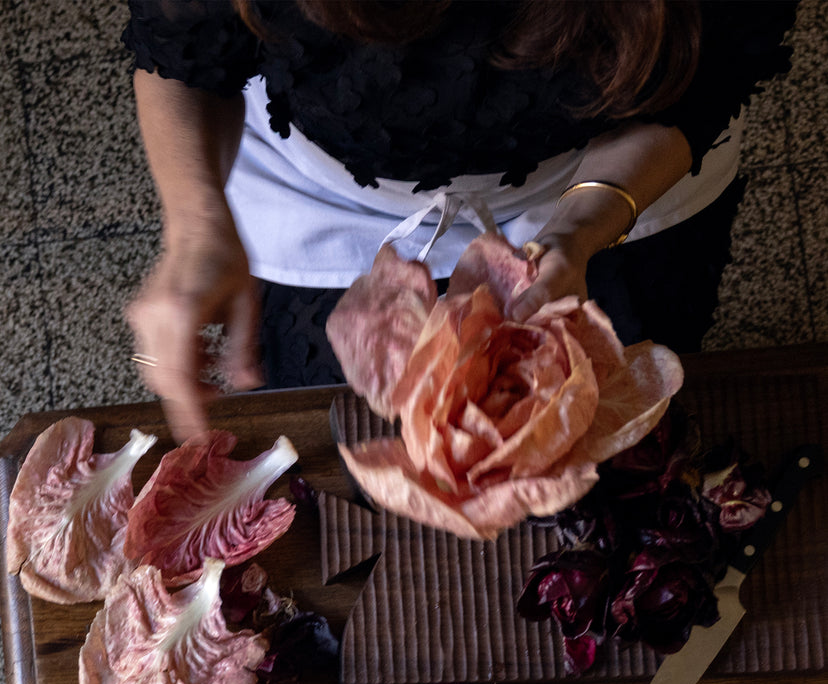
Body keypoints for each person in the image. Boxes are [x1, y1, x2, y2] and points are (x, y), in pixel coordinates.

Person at [121, 0, 798, 442]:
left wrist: (577, 232)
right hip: (324, 197)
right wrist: (196, 224)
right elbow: (184, 49)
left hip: (606, 177)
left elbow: (706, 78)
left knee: (620, 434)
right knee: (345, 431)